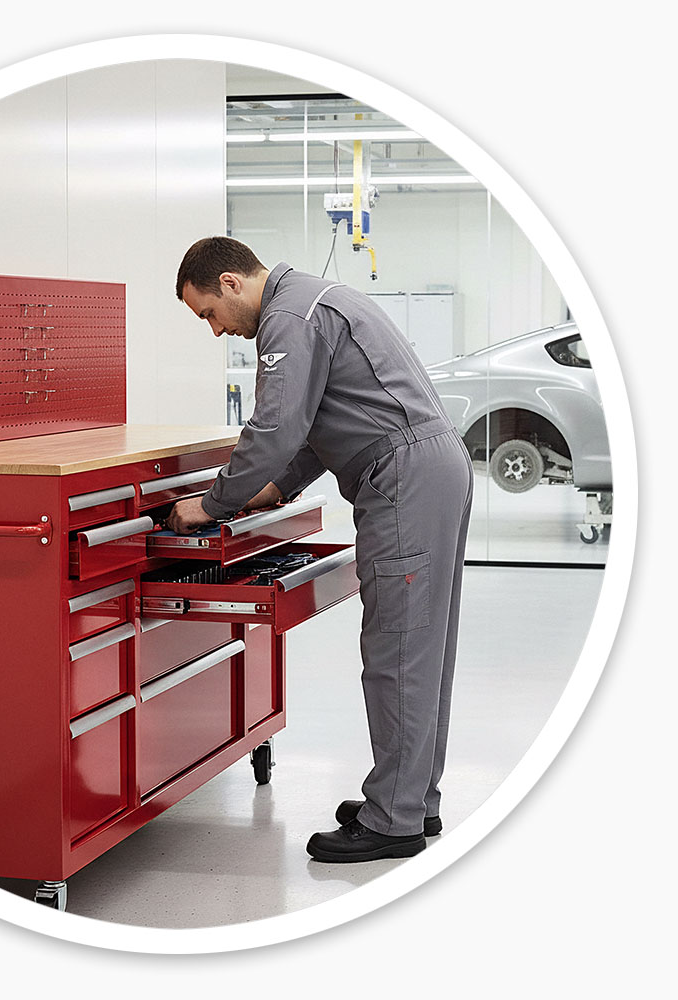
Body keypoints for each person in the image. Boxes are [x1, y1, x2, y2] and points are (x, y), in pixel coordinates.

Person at [166, 236, 473, 863]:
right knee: (422, 648)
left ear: (230, 282)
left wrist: (213, 503)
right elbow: (312, 427)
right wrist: (275, 487)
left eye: (209, 315)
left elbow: (276, 425)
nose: (216, 331)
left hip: (403, 480)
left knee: (398, 648)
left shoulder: (287, 317)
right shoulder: (314, 299)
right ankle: (412, 798)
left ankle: (393, 821)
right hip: (427, 468)